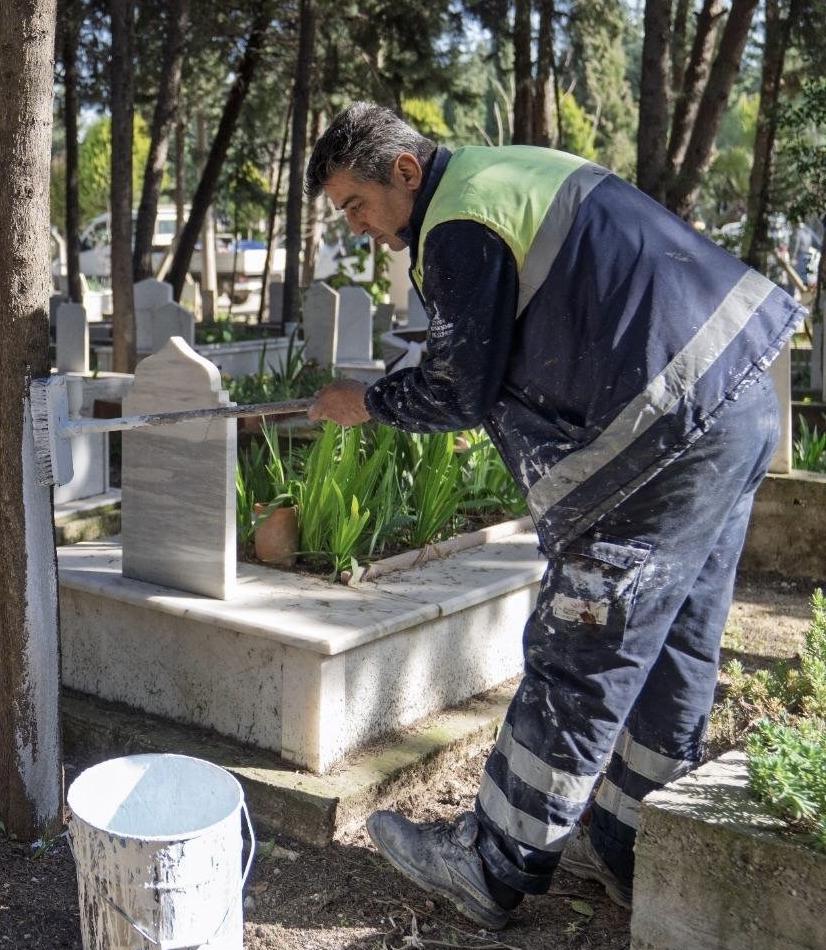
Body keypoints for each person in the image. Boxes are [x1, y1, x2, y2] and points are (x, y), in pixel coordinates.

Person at [304, 103, 804, 930]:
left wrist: (366, 401)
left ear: (402, 171)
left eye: (356, 205)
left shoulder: (457, 219)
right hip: (733, 395)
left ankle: (492, 861)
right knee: (677, 638)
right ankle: (629, 840)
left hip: (662, 427)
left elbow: (458, 386)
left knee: (584, 643)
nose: (359, 227)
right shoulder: (499, 174)